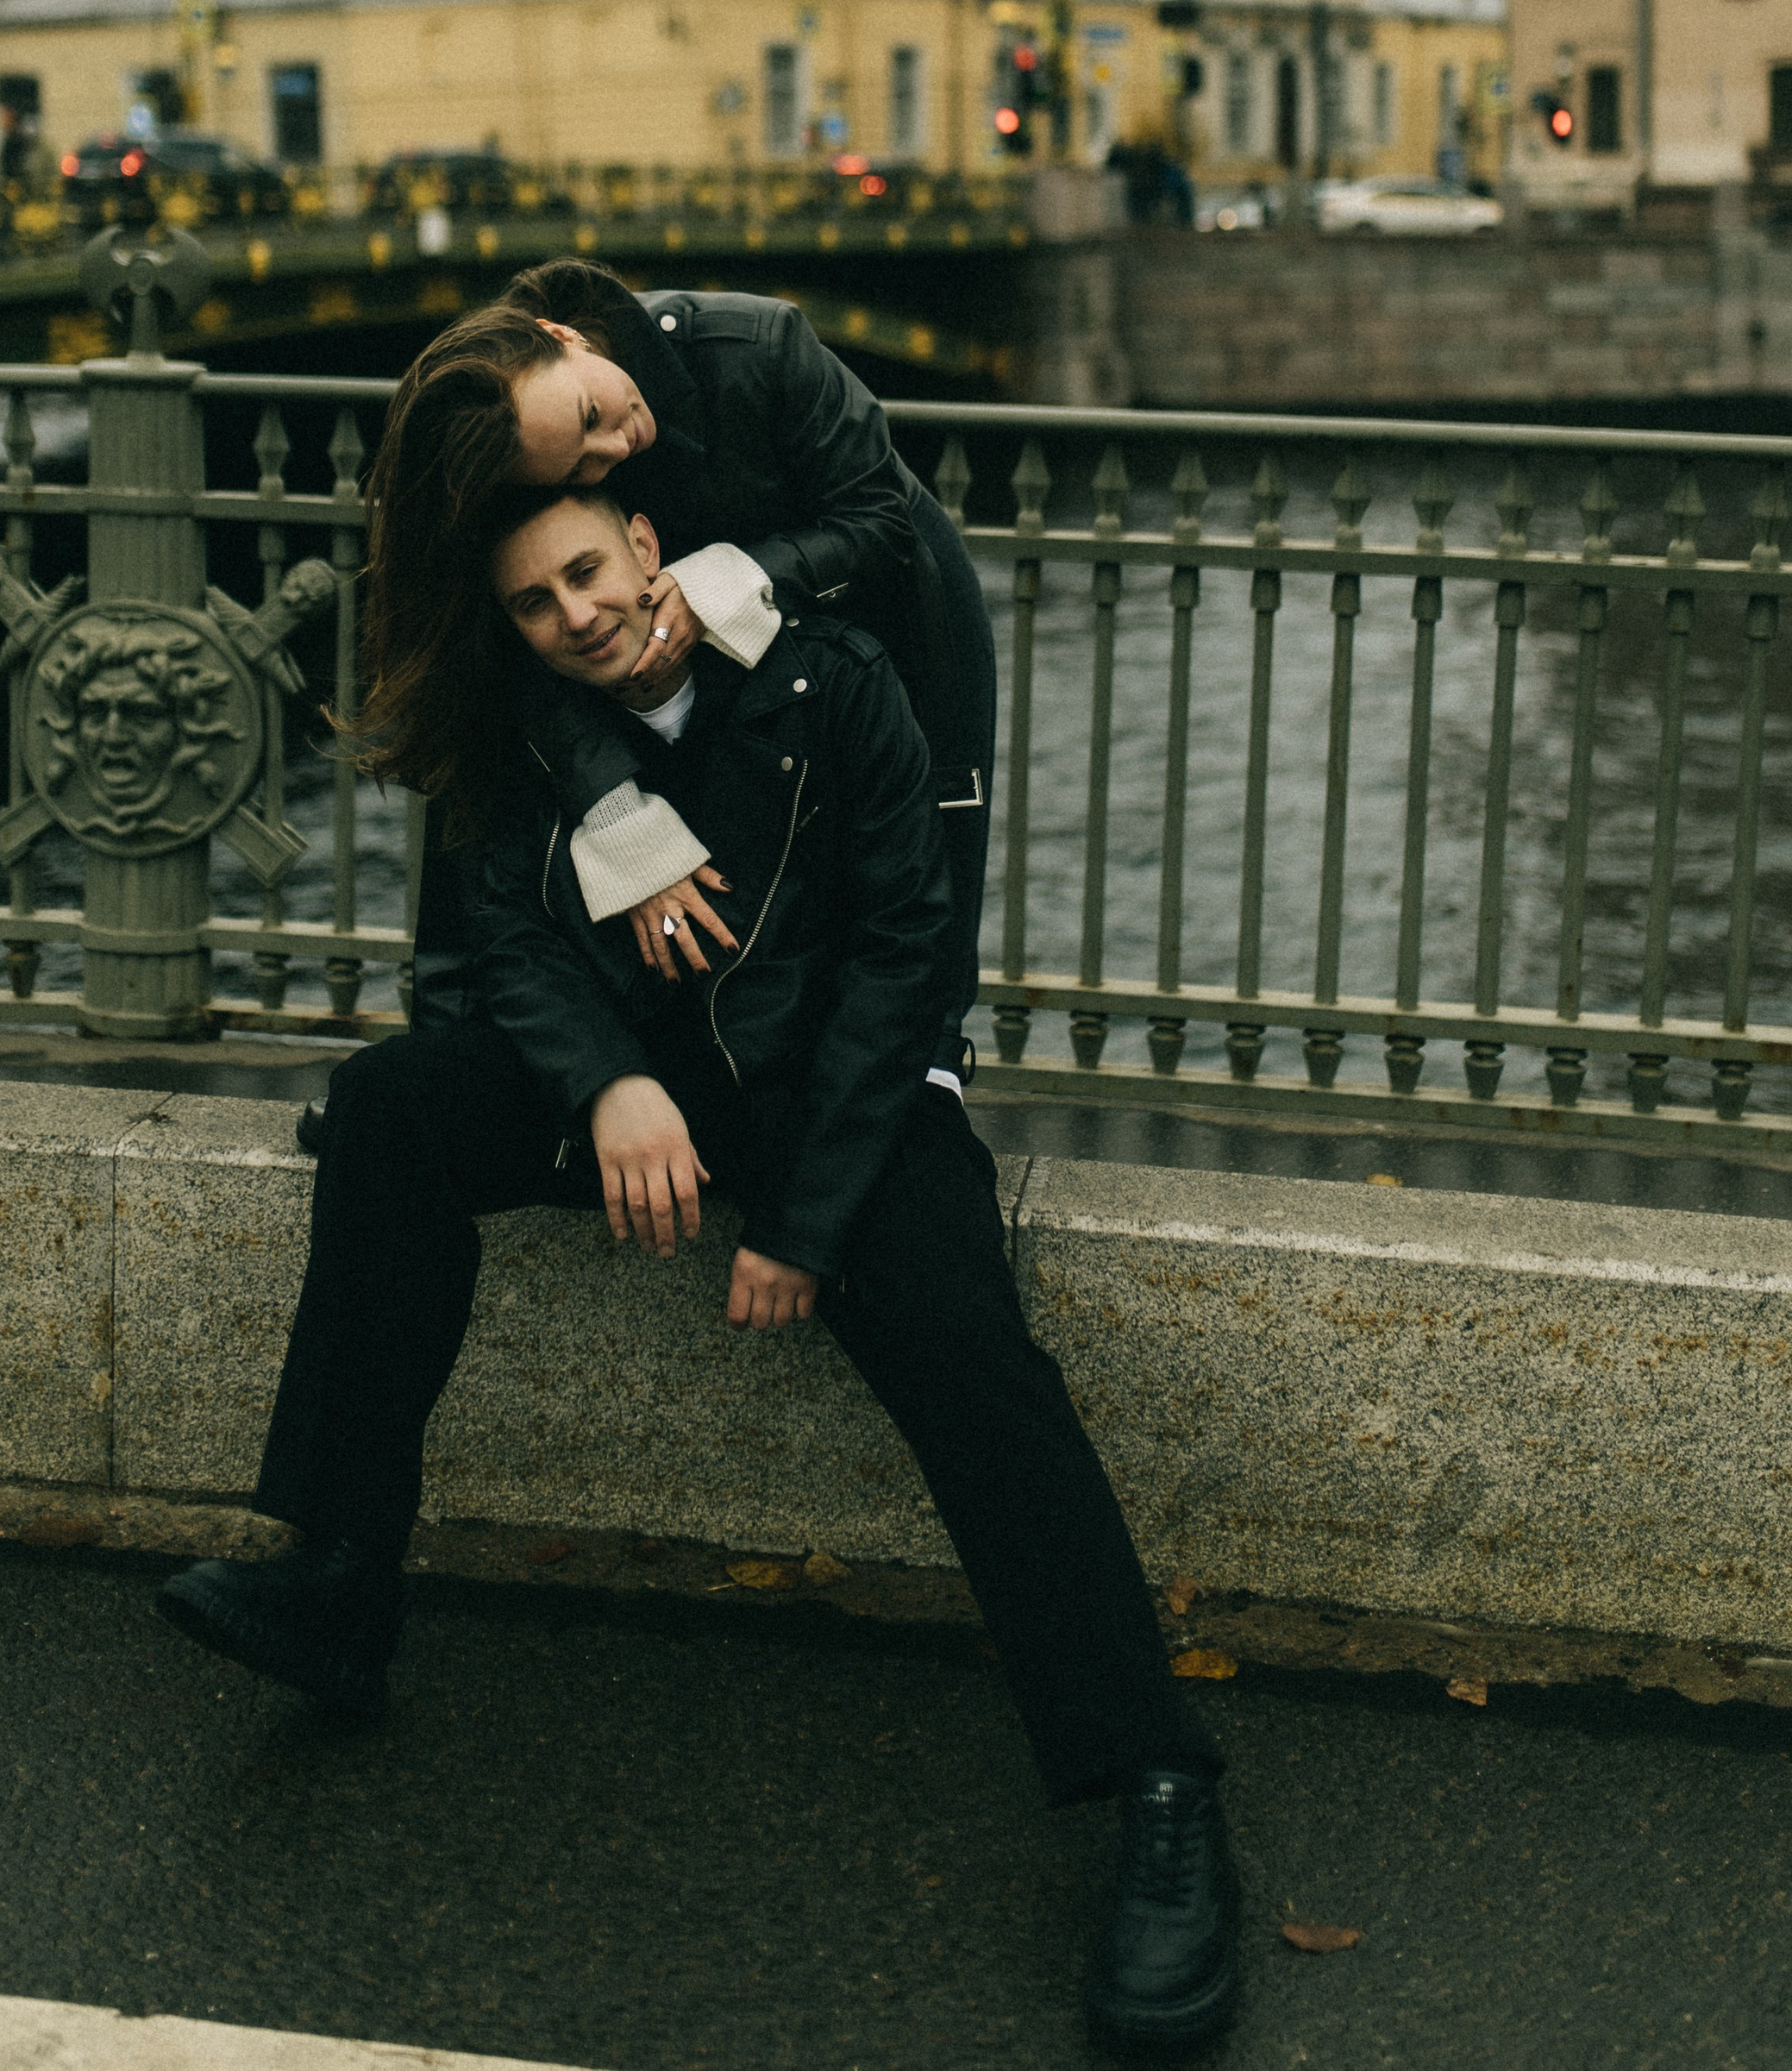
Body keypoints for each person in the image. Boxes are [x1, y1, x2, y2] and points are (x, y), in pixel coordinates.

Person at [158, 482, 1242, 2061]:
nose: (573, 615)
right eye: (533, 600)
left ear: (650, 549)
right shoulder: (525, 725)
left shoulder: (831, 681)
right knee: (391, 1116)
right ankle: (339, 1577)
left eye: (587, 574)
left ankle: (1157, 1785)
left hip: (835, 1098)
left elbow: (899, 956)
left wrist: (805, 1219)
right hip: (644, 1091)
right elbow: (512, 946)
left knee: (972, 1359)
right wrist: (607, 1083)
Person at [359, 260, 996, 1078]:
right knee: (475, 749)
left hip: (890, 588)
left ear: (560, 337)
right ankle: (442, 1066)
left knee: (929, 816)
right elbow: (521, 649)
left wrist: (724, 578)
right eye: (579, 468)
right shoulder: (520, 447)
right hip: (676, 605)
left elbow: (879, 521)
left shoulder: (760, 345)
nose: (615, 446)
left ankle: (935, 1069)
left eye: (594, 413)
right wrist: (616, 811)